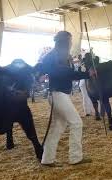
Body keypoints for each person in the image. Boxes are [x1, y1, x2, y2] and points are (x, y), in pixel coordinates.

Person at [39, 31, 95, 167]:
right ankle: (75, 157)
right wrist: (87, 74)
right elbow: (67, 73)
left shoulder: (58, 55)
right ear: (64, 42)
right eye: (69, 41)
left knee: (59, 126)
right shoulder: (56, 56)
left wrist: (41, 73)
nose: (71, 43)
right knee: (76, 123)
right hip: (58, 94)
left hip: (59, 94)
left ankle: (47, 159)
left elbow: (44, 68)